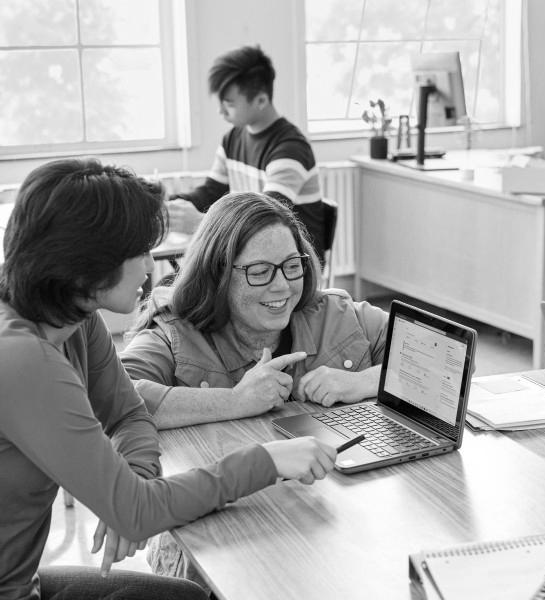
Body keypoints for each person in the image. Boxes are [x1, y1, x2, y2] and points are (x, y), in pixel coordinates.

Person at [0, 159, 339, 600]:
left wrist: (128, 494)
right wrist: (268, 461)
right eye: (139, 251)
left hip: (19, 583)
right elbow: (140, 511)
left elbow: (129, 413)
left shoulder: (73, 321)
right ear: (85, 264)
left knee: (186, 595)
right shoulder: (23, 358)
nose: (150, 264)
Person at [121, 191, 388, 429]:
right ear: (217, 274)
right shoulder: (172, 334)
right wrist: (235, 401)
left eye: (293, 266)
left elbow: (428, 356)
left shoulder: (338, 314)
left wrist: (363, 382)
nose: (282, 286)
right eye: (260, 272)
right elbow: (109, 397)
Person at [167, 45, 328, 259]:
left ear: (261, 100)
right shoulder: (232, 139)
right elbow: (211, 192)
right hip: (253, 257)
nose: (221, 111)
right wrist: (169, 205)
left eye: (230, 104)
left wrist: (198, 222)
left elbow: (264, 221)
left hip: (291, 265)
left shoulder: (290, 149)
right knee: (174, 287)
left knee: (182, 288)